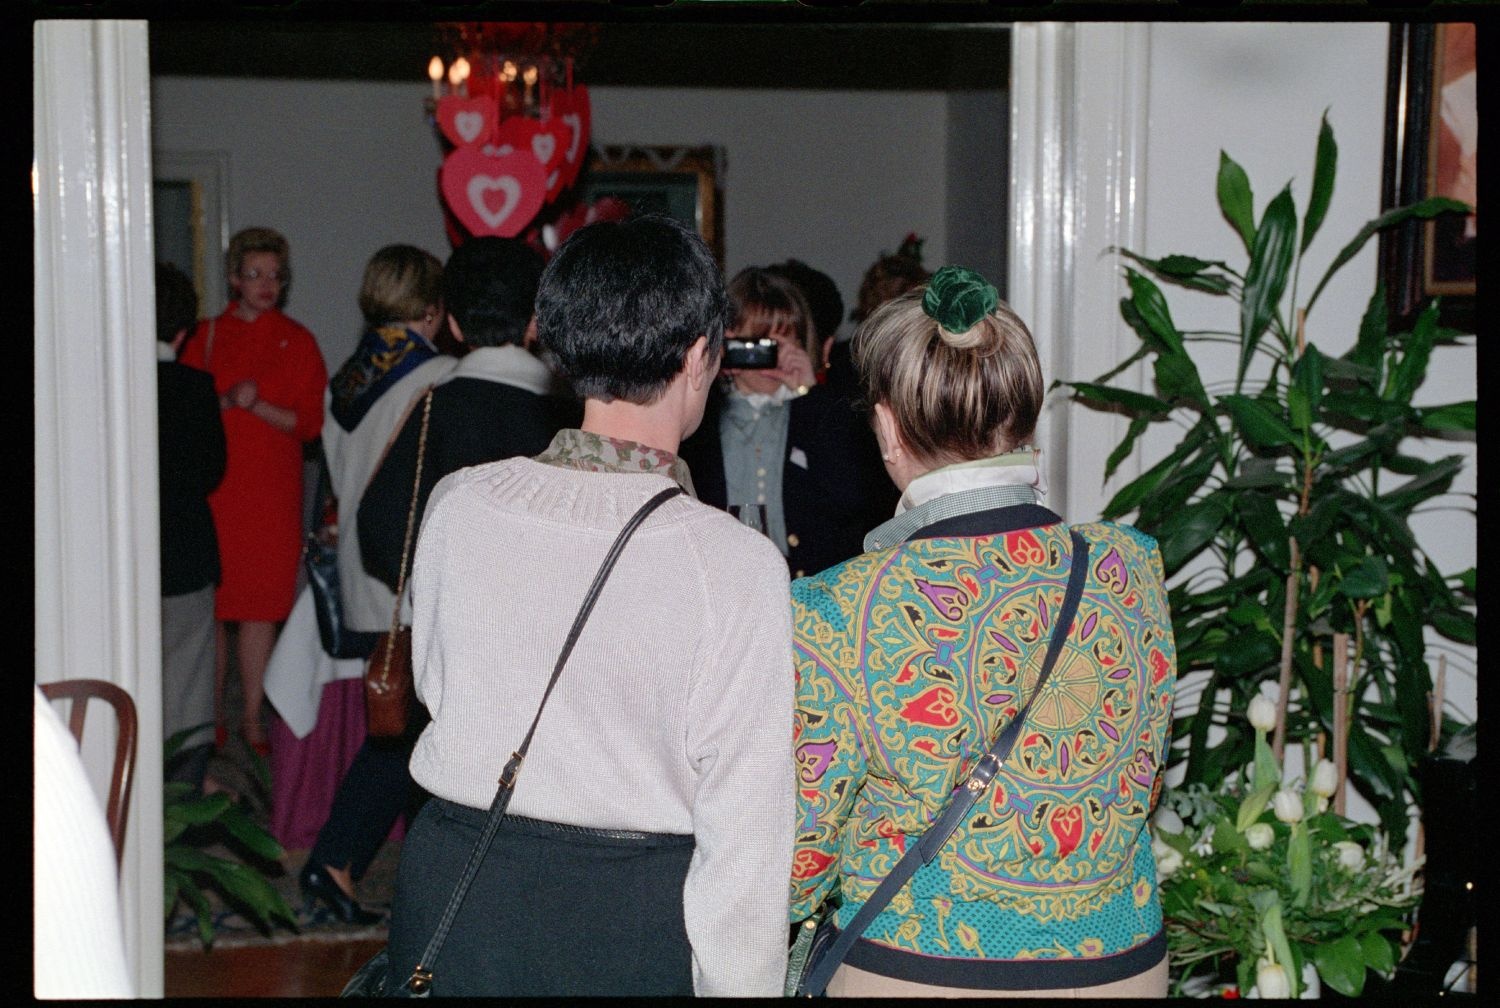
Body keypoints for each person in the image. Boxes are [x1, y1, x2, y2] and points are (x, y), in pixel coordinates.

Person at [385, 214, 794, 996]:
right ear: (702, 354)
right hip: (622, 914)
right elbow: (746, 831)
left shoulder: (459, 504)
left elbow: (441, 691)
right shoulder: (733, 564)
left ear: (557, 344)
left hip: (455, 879)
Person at [788, 267, 1176, 997]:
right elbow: (1140, 778)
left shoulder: (835, 608)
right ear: (1024, 419)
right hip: (1120, 968)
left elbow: (803, 849)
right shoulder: (1131, 569)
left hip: (922, 970)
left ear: (887, 428)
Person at [287, 243, 455, 924]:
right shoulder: (439, 374)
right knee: (409, 729)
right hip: (407, 568)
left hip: (362, 567)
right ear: (432, 307)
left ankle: (343, 862)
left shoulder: (347, 378)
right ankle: (336, 859)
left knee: (401, 726)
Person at [180, 227, 327, 756]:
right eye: (254, 274)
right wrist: (225, 401)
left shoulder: (299, 339)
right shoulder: (204, 335)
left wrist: (255, 405)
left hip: (270, 493)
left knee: (261, 609)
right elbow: (184, 410)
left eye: (274, 276)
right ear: (234, 278)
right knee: (215, 611)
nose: (265, 285)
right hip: (218, 489)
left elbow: (310, 424)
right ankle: (208, 718)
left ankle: (250, 719)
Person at [359, 236, 577, 589]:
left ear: (454, 325)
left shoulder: (435, 408)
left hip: (455, 623)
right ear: (536, 322)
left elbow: (381, 534)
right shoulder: (567, 415)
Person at [679, 266, 896, 579]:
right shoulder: (704, 415)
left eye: (783, 342)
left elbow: (853, 501)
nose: (772, 358)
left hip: (810, 584)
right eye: (759, 344)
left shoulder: (821, 414)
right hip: (721, 579)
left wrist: (809, 397)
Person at [155, 262, 227, 790]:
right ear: (183, 331)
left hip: (120, 558)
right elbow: (210, 470)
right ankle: (182, 794)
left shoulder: (107, 389)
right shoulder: (194, 387)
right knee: (188, 683)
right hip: (183, 547)